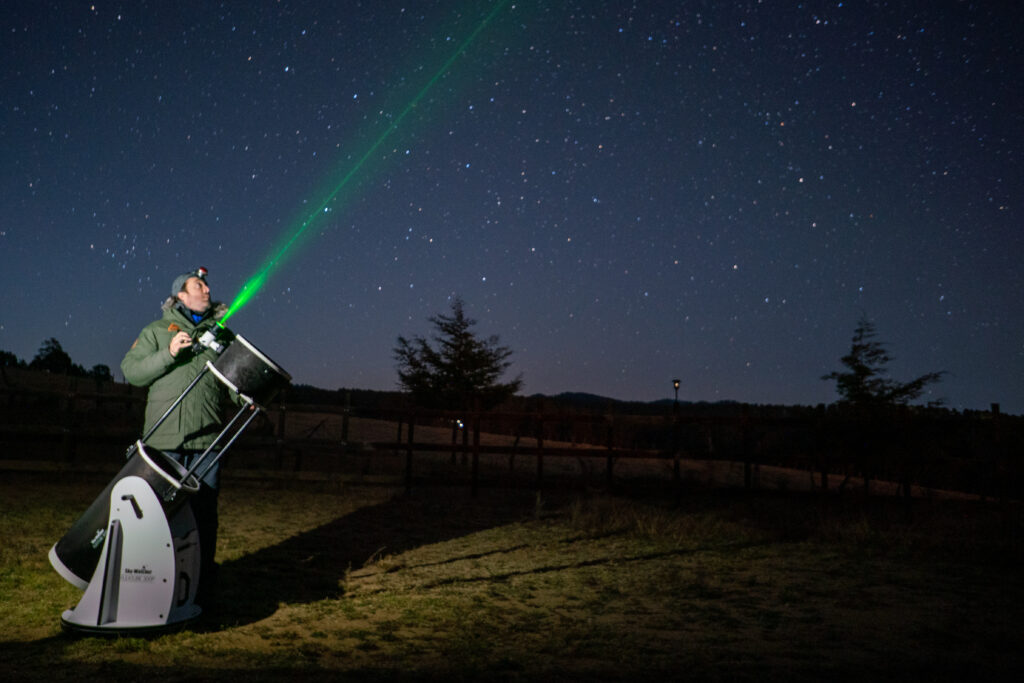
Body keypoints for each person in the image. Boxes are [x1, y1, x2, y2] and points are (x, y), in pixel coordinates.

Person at [120, 266, 235, 608]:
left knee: (203, 516)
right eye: (198, 284)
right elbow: (132, 372)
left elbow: (234, 384)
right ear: (180, 295)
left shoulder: (222, 336)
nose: (207, 288)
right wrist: (169, 353)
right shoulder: (156, 331)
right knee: (155, 514)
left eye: (207, 283)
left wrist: (250, 392)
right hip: (164, 440)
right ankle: (149, 588)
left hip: (207, 444)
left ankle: (200, 589)